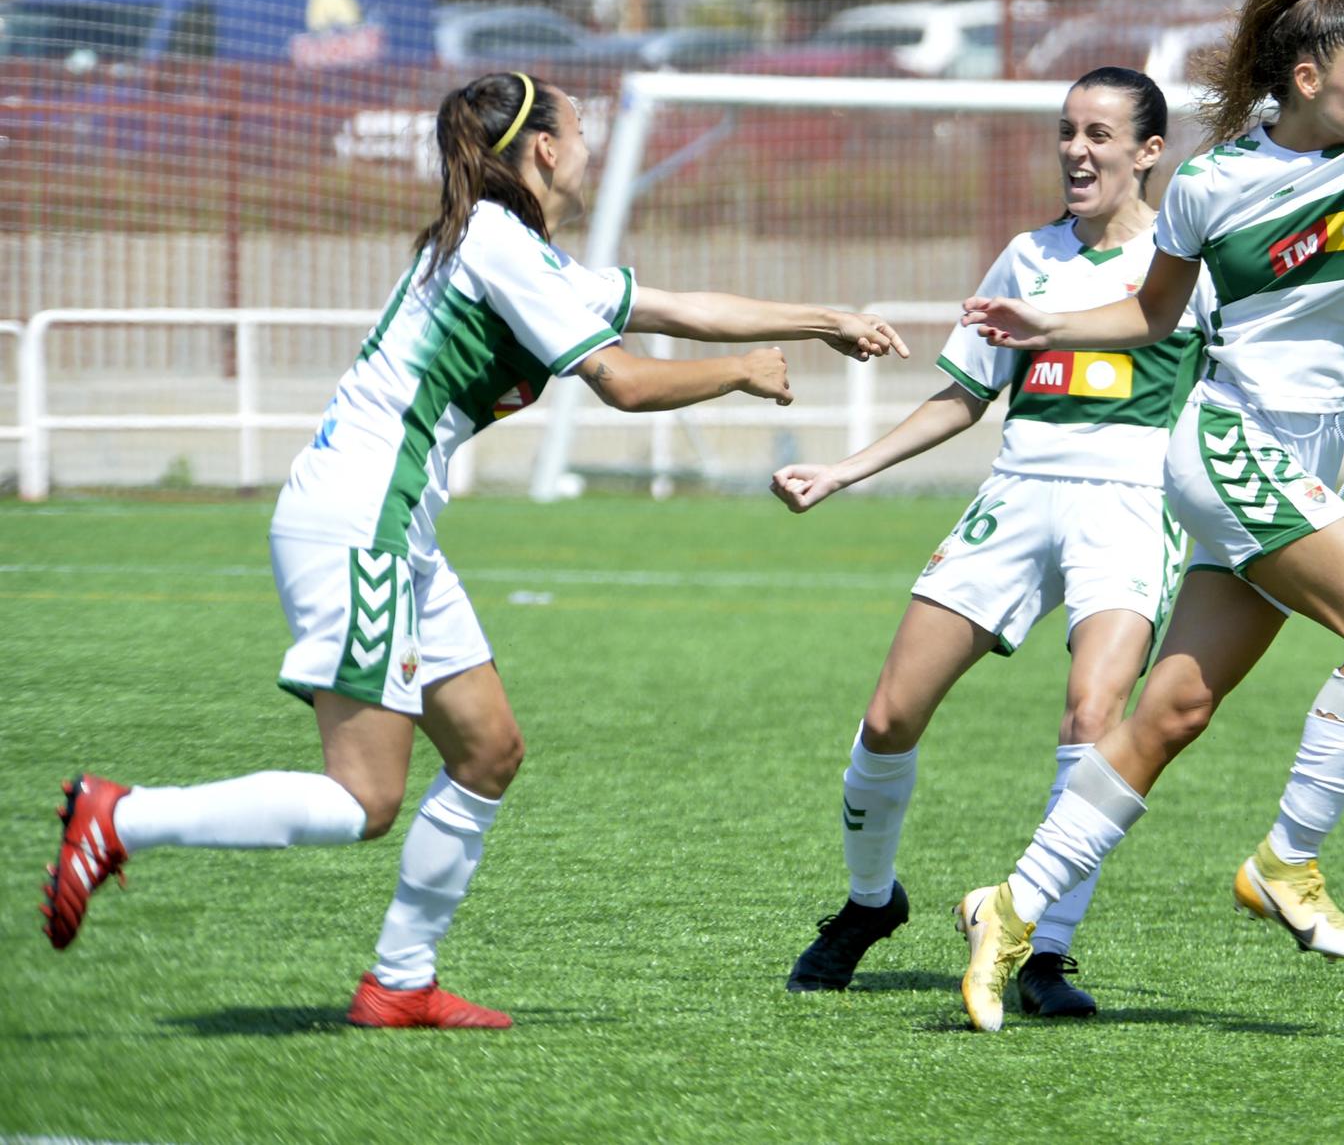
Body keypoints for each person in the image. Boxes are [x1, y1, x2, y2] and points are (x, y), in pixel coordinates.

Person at [39, 70, 908, 1028]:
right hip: (360, 518)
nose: (589, 143)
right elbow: (620, 380)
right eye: (579, 127)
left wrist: (828, 320)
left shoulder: (520, 251)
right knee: (364, 797)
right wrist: (740, 375)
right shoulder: (502, 248)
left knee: (489, 749)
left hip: (390, 524)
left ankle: (400, 981)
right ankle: (120, 817)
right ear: (542, 148)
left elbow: (677, 305)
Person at [949, 0, 1344, 1031]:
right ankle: (1288, 860)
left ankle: (1010, 905)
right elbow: (1149, 313)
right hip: (1233, 444)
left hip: (1309, 460)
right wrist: (1043, 319)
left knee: (1172, 708)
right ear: (1307, 78)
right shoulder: (1212, 180)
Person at [773, 67, 1214, 1018]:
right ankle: (868, 901)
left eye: (1100, 133)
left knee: (1093, 716)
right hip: (1016, 494)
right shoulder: (1026, 255)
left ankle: (1044, 946)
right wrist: (843, 469)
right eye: (1066, 131)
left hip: (1133, 501)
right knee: (890, 715)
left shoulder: (1190, 267)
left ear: (1149, 151)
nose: (1076, 150)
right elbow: (965, 394)